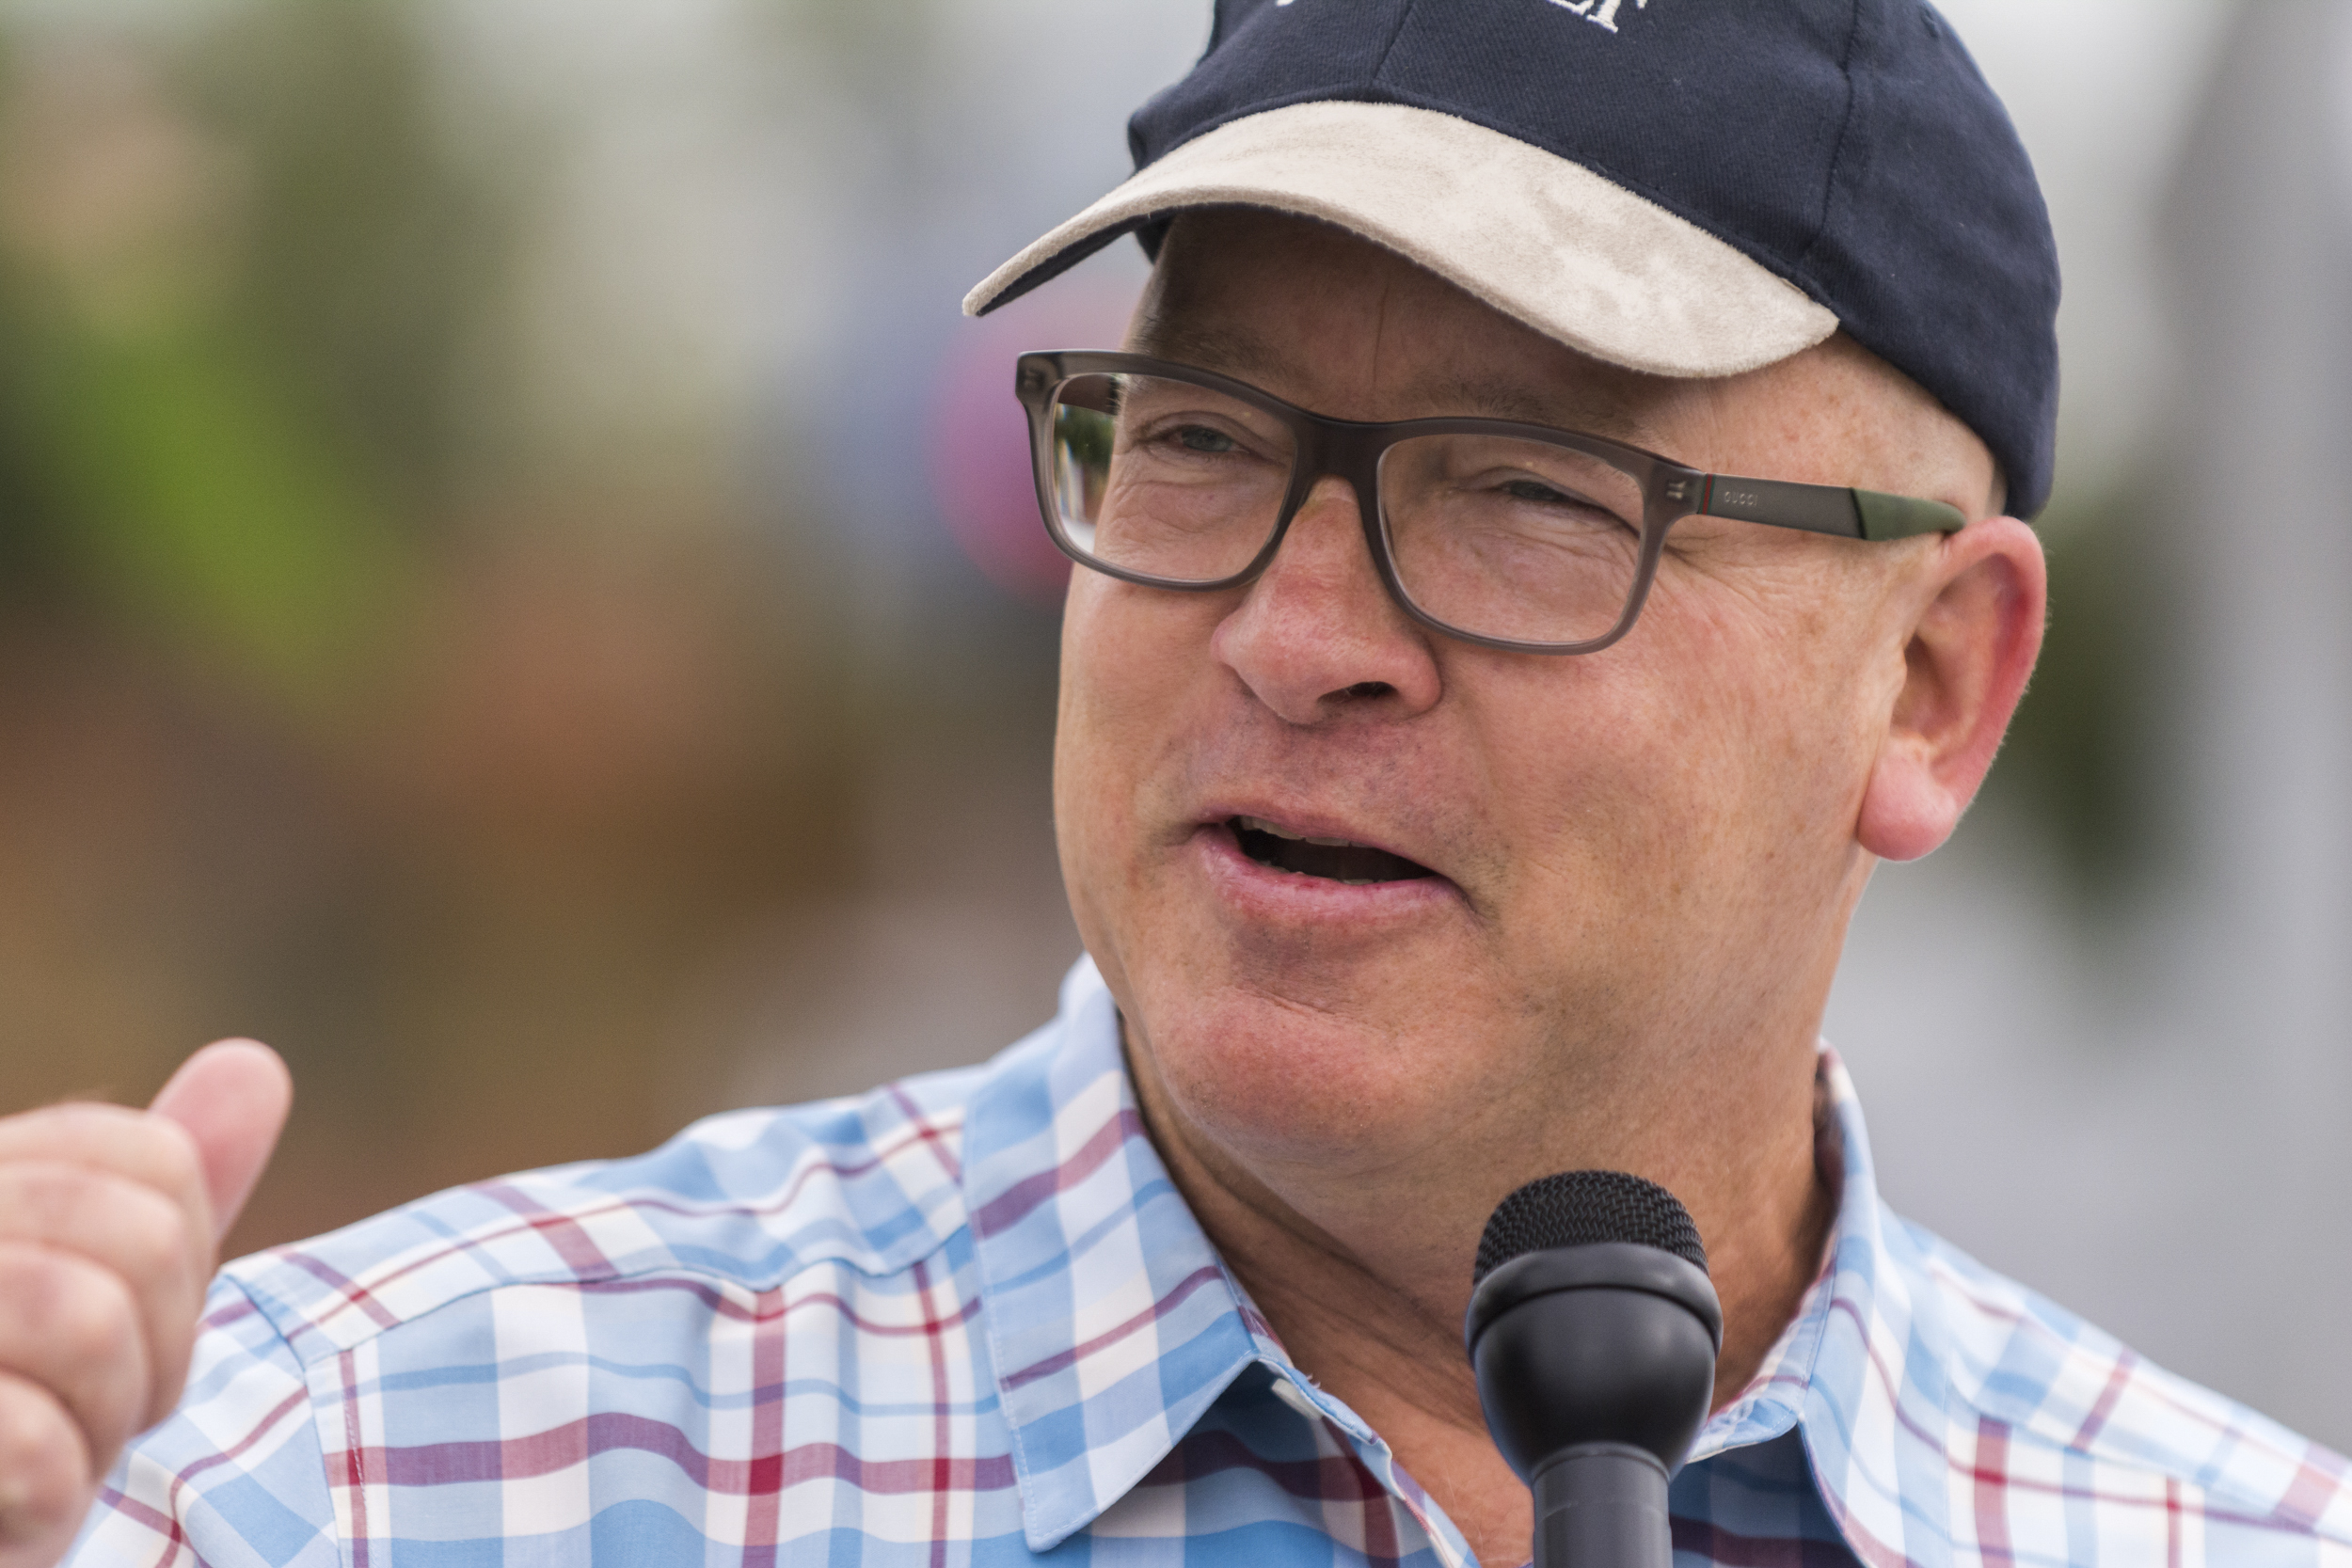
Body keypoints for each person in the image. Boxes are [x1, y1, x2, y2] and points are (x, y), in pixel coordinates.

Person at [8, 4, 2350, 1564]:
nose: (1294, 634)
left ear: (1932, 681)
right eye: (1209, 440)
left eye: (1523, 491)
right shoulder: (357, 1471)